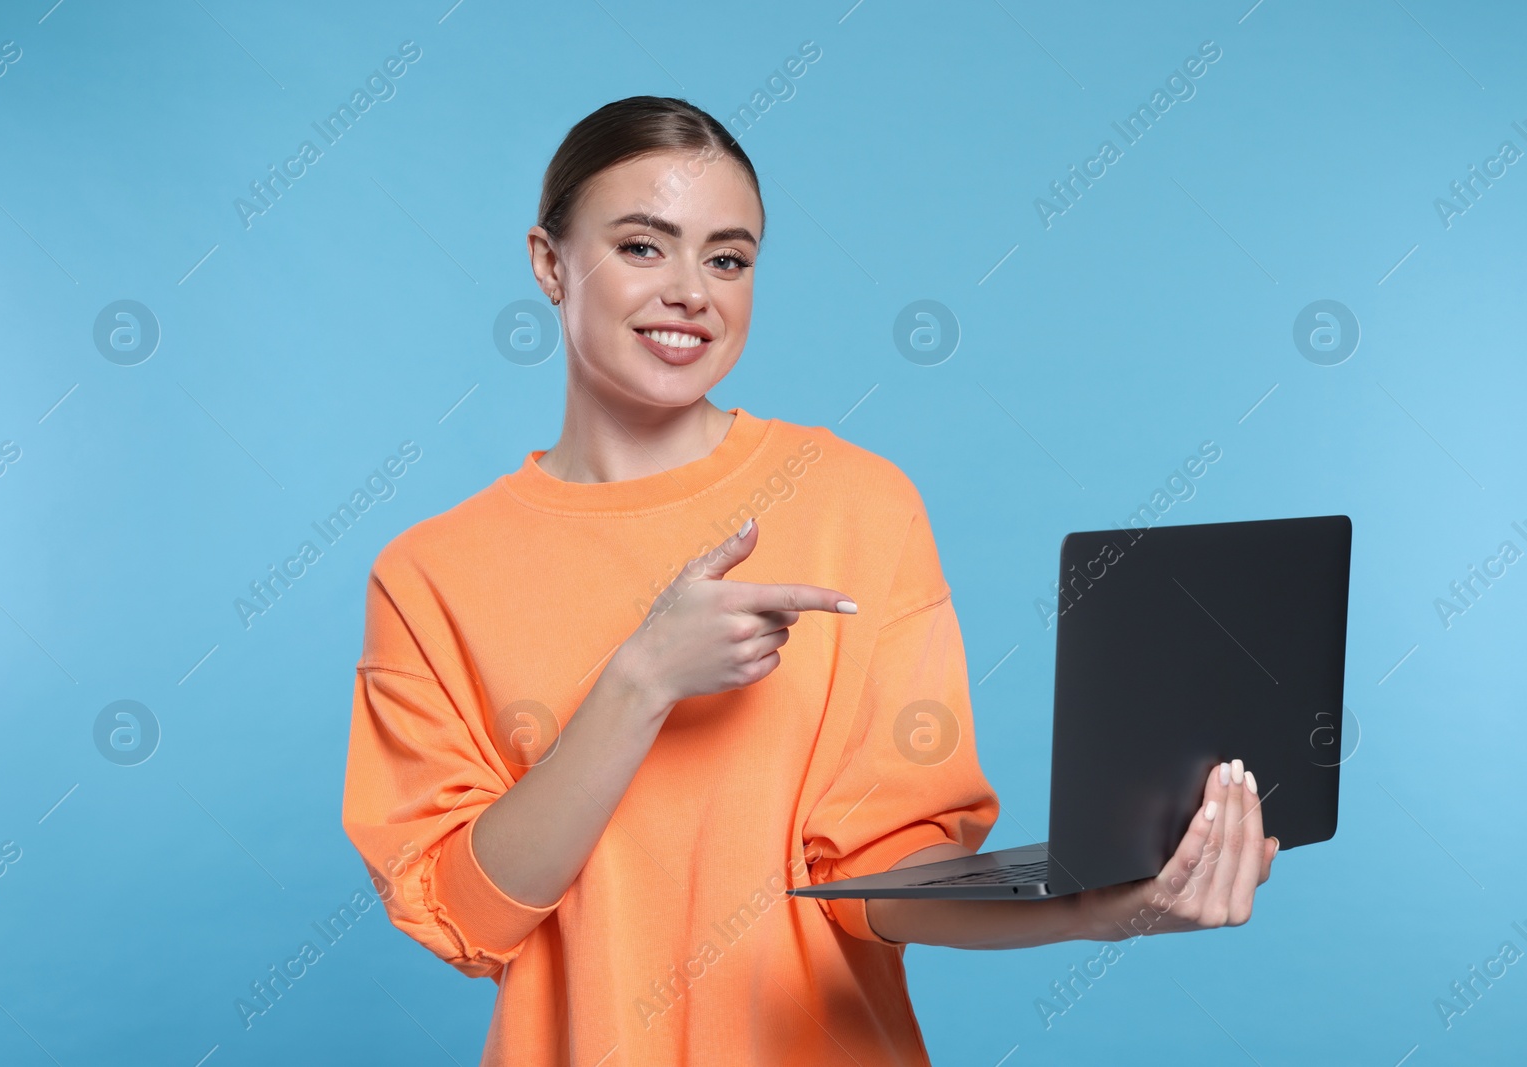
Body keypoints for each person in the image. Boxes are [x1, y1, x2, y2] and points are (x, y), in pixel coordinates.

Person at [340, 95, 1280, 1065]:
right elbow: (465, 915)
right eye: (640, 247)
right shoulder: (432, 574)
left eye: (728, 258)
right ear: (548, 263)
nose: (691, 292)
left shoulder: (856, 503)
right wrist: (643, 677)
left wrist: (1106, 905)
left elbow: (882, 877)